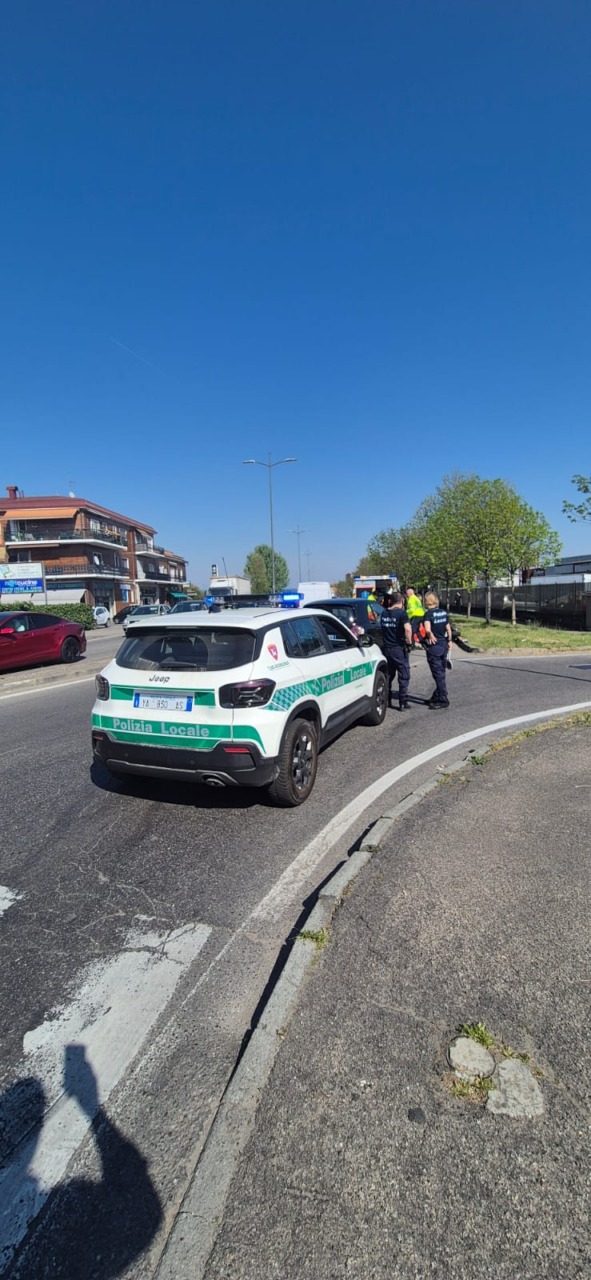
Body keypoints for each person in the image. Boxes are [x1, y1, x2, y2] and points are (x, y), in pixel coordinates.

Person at [380, 591, 412, 710]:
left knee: (389, 675)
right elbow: (408, 629)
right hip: (398, 648)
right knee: (404, 674)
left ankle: (386, 699)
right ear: (402, 601)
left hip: (386, 649)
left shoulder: (384, 613)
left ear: (390, 601)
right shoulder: (402, 614)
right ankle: (403, 701)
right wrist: (409, 642)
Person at [422, 590, 453, 708]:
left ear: (426, 602)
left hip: (434, 647)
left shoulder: (428, 615)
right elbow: (448, 629)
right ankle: (436, 695)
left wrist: (430, 635)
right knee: (441, 672)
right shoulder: (443, 613)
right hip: (443, 645)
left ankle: (443, 699)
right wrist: (449, 641)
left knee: (438, 674)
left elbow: (427, 629)